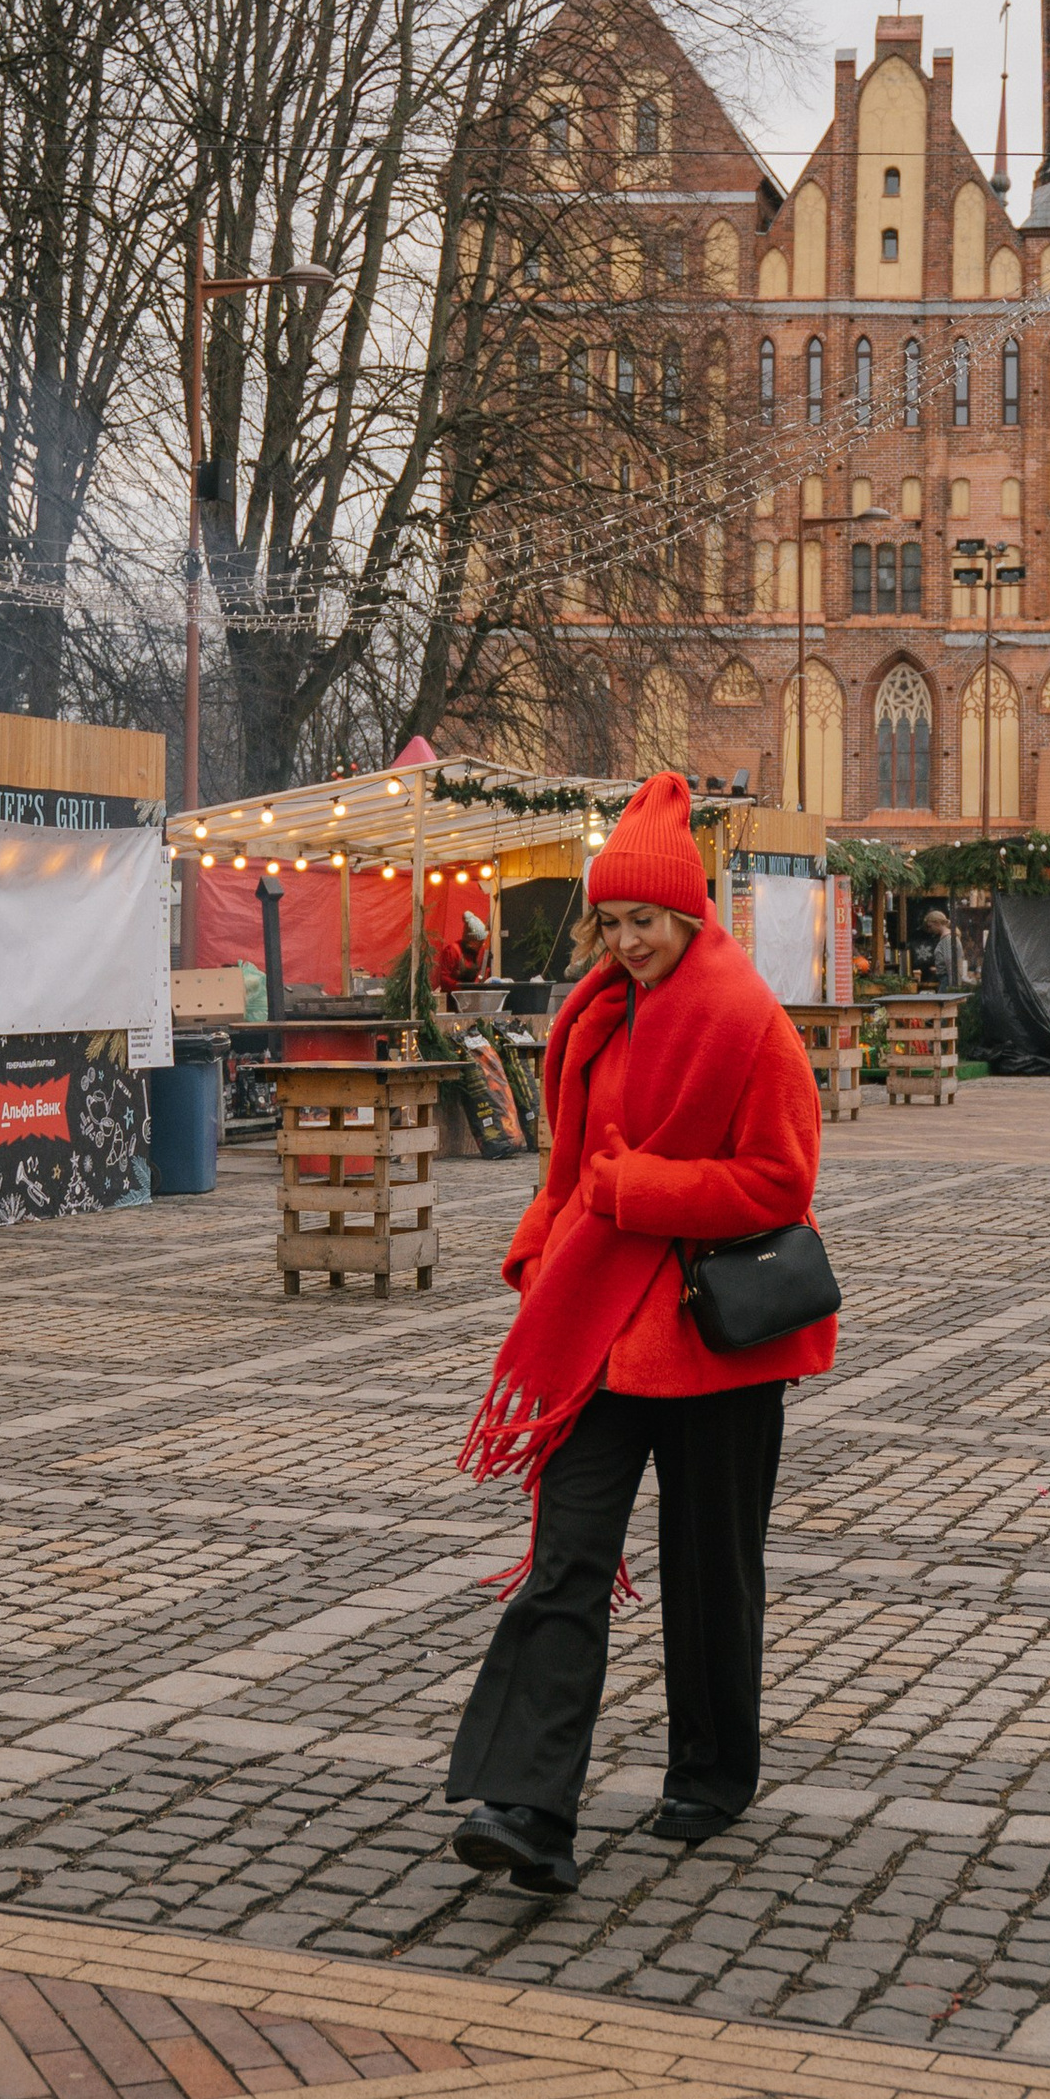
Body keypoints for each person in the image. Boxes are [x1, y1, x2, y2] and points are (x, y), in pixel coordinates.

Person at [445, 771, 836, 1895]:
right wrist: (538, 1253)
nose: (625, 943)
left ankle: (711, 1775)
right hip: (597, 1338)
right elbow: (565, 1171)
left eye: (644, 921)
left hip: (714, 1344)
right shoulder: (591, 1017)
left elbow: (779, 1183)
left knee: (710, 1570)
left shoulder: (749, 1023)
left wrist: (636, 1193)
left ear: (689, 912)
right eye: (610, 922)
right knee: (566, 1560)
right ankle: (527, 1809)